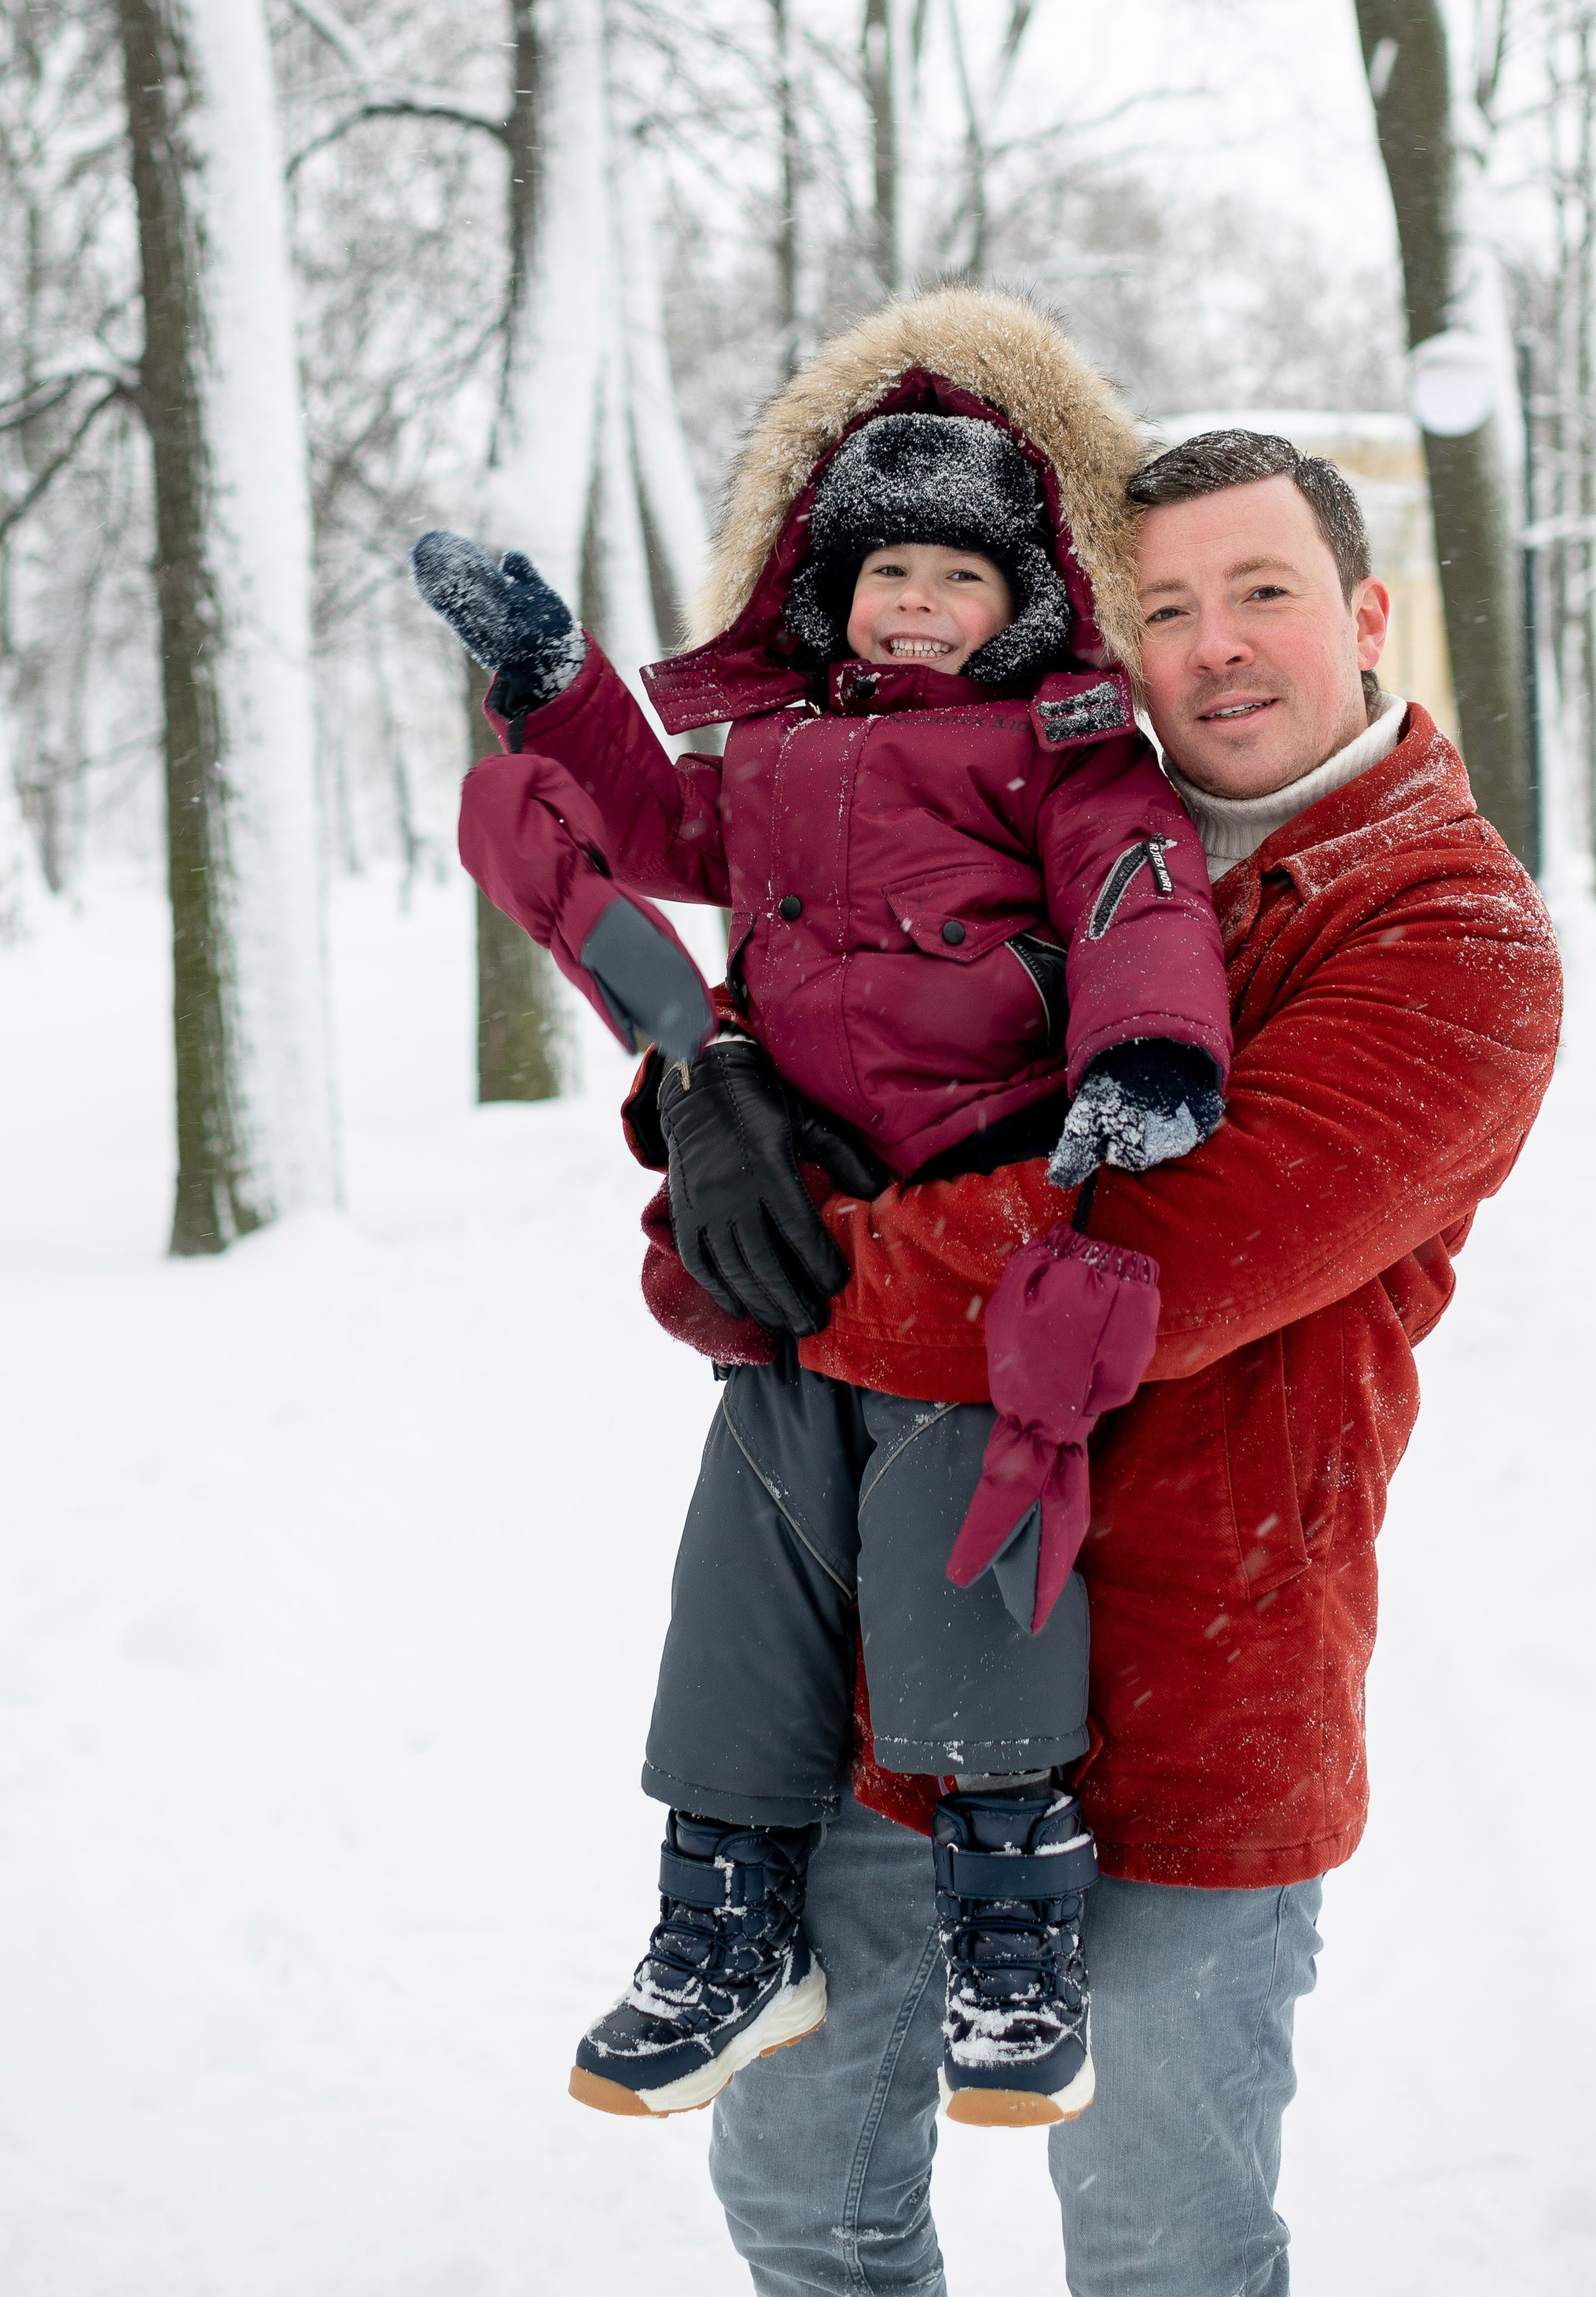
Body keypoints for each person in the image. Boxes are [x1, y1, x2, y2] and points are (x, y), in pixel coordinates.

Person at [630, 406, 1565, 2297]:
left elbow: (1129, 1271)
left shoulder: (1449, 937)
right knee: (803, 2200)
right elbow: (831, 1050)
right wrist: (704, 1098)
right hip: (903, 1657)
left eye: (1260, 592)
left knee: (1158, 2242)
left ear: (1361, 611)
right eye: (1166, 605)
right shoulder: (1021, 825)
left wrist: (776, 1253)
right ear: (1104, 640)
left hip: (1190, 1695)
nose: (1213, 641)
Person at [410, 291, 1236, 2130]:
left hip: (980, 1193)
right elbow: (631, 827)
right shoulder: (773, 750)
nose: (920, 601)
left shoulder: (1057, 743)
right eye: (887, 573)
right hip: (791, 1207)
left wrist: (1150, 1053)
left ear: (1017, 594)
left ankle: (1010, 1913)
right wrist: (547, 677)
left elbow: (1135, 892)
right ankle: (723, 1908)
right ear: (827, 584)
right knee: (751, 1532)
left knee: (970, 1520)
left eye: (957, 572)